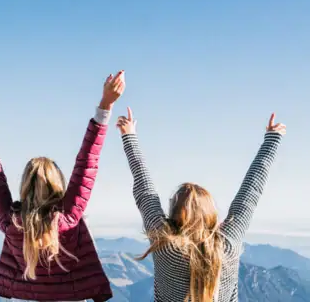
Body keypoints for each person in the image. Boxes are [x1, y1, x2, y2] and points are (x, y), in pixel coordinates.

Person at [0, 71, 126, 302]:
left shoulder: (11, 222)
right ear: (58, 183)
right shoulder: (68, 217)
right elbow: (87, 162)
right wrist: (106, 105)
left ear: (25, 186)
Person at [115, 107, 286, 302]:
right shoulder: (227, 244)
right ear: (211, 214)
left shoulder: (165, 245)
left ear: (174, 213)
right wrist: (272, 139)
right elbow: (250, 193)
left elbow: (145, 190)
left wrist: (128, 135)